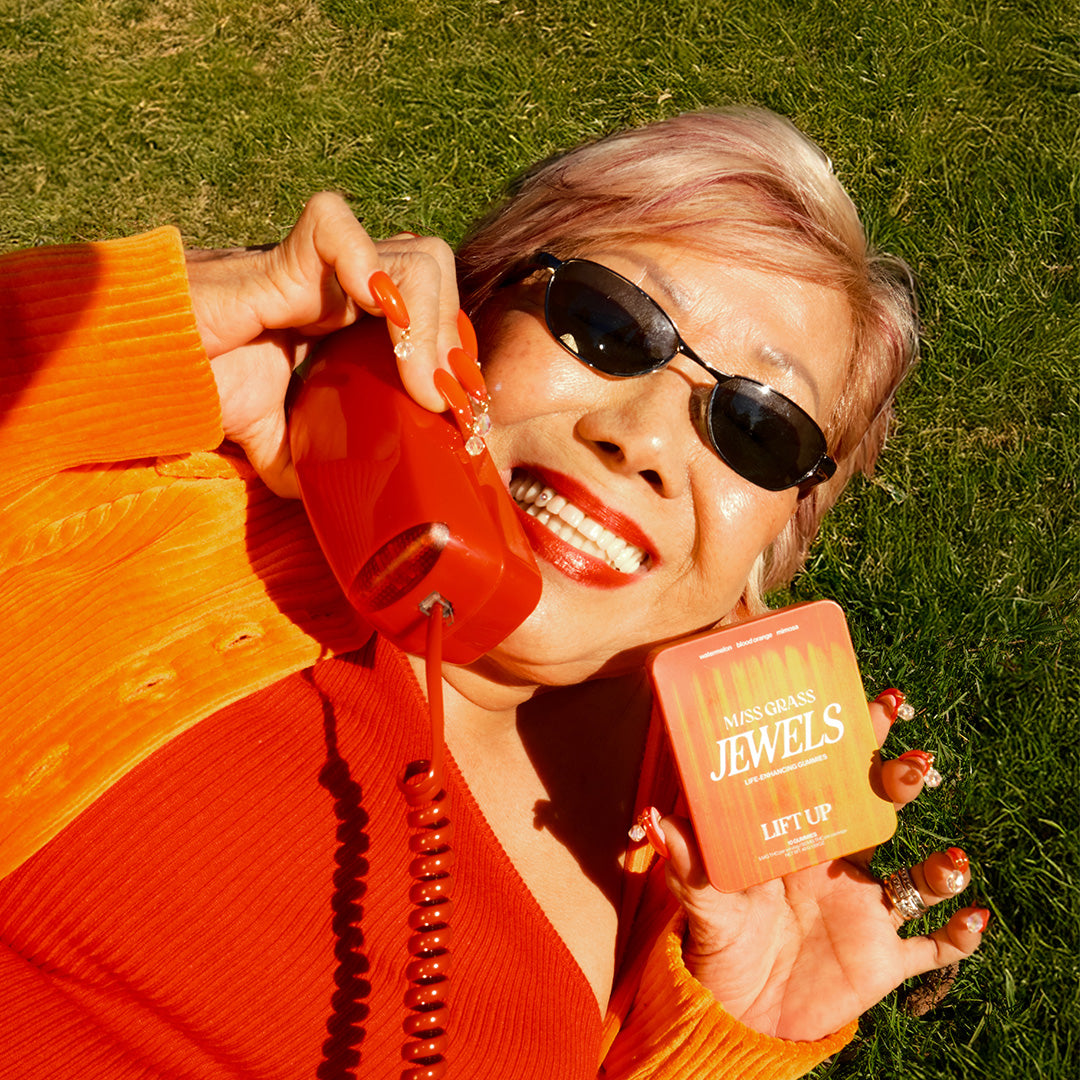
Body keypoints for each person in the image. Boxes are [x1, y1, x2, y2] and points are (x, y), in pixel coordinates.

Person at [0, 107, 986, 1079]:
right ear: (468, 313)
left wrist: (733, 1029)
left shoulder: (704, 865)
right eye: (607, 323)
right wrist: (151, 334)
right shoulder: (157, 508)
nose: (641, 439)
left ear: (779, 537)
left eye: (759, 429)